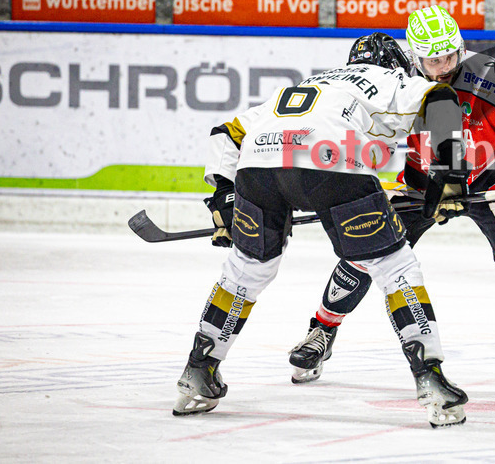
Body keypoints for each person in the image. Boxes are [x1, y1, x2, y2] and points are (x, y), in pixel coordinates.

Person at [288, 5, 495, 396]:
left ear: (461, 48)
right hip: (423, 183)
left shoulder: (493, 83)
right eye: (432, 60)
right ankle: (321, 332)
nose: (442, 68)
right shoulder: (398, 86)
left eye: (449, 57)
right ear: (414, 58)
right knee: (364, 248)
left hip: (493, 181)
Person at [173, 33, 470, 428]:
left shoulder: (309, 84)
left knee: (247, 269)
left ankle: (198, 370)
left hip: (258, 167)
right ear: (396, 63)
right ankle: (430, 379)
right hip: (330, 161)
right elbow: (443, 101)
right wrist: (449, 173)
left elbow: (225, 133)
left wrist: (224, 196)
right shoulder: (387, 78)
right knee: (394, 267)